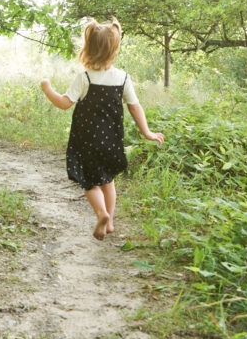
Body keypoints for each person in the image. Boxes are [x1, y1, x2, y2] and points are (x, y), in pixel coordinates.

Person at [40, 18, 164, 240]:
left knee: (90, 181)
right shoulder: (123, 78)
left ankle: (101, 213)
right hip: (112, 140)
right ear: (114, 51)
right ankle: (110, 222)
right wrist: (148, 132)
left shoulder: (85, 78)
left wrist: (47, 89)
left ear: (88, 49)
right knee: (108, 181)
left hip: (87, 141)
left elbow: (64, 103)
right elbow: (135, 107)